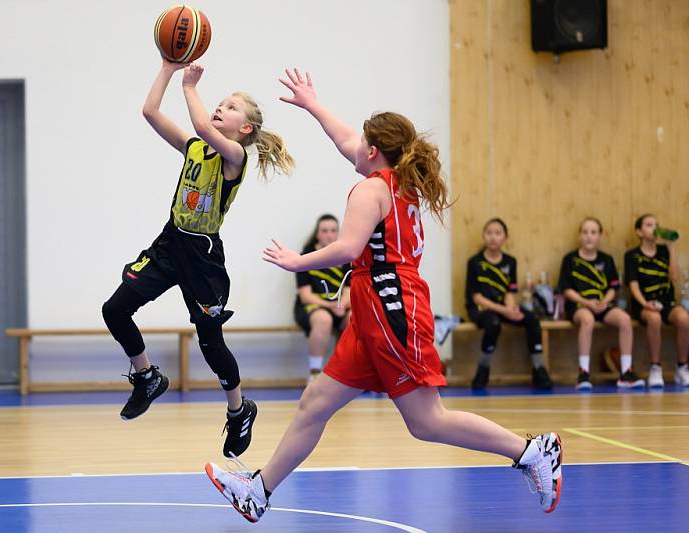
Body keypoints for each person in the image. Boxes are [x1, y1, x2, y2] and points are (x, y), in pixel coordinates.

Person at [205, 68, 563, 522]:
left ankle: (532, 451)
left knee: (426, 421)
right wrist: (313, 103)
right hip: (376, 307)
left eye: (361, 143)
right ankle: (260, 490)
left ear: (373, 152)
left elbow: (350, 248)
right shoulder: (396, 182)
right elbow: (344, 139)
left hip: (393, 307)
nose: (352, 145)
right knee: (315, 402)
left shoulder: (371, 189)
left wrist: (298, 261)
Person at [101, 59, 294, 458]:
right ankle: (147, 377)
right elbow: (150, 112)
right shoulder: (195, 149)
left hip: (203, 256)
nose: (220, 108)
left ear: (244, 129)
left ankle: (240, 410)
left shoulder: (234, 158)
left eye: (230, 106)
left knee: (210, 341)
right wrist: (167, 68)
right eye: (220, 102)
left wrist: (190, 87)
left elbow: (205, 126)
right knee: (115, 309)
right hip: (171, 243)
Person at [465, 218, 553, 390]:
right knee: (493, 324)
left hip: (503, 308)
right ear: (484, 236)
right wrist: (506, 311)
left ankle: (539, 369)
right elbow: (477, 298)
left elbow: (509, 292)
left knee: (532, 319)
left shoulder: (510, 261)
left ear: (505, 238)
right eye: (489, 233)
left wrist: (512, 309)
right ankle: (483, 371)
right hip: (482, 310)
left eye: (498, 233)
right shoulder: (474, 262)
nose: (493, 237)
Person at [558, 217, 641, 389]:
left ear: (600, 236)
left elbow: (613, 288)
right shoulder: (570, 260)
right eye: (585, 232)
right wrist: (586, 302)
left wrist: (604, 301)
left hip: (602, 305)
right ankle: (583, 373)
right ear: (580, 235)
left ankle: (626, 373)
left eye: (593, 232)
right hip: (580, 305)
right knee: (587, 320)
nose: (589, 236)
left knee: (625, 319)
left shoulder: (607, 259)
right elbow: (566, 290)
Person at [624, 214, 689, 388]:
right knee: (654, 318)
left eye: (656, 225)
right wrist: (645, 303)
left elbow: (674, 277)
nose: (654, 228)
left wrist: (671, 248)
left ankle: (682, 367)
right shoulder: (632, 255)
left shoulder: (664, 252)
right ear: (639, 231)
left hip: (666, 301)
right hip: (644, 303)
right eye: (649, 224)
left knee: (684, 319)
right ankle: (655, 367)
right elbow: (633, 286)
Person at [294, 214, 352, 384]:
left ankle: (344, 372)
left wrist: (342, 305)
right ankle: (314, 373)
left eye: (333, 231)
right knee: (323, 319)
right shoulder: (305, 258)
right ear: (317, 234)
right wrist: (330, 305)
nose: (329, 234)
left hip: (339, 306)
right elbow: (306, 296)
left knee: (355, 318)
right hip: (313, 307)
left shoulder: (346, 257)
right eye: (324, 231)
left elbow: (349, 290)